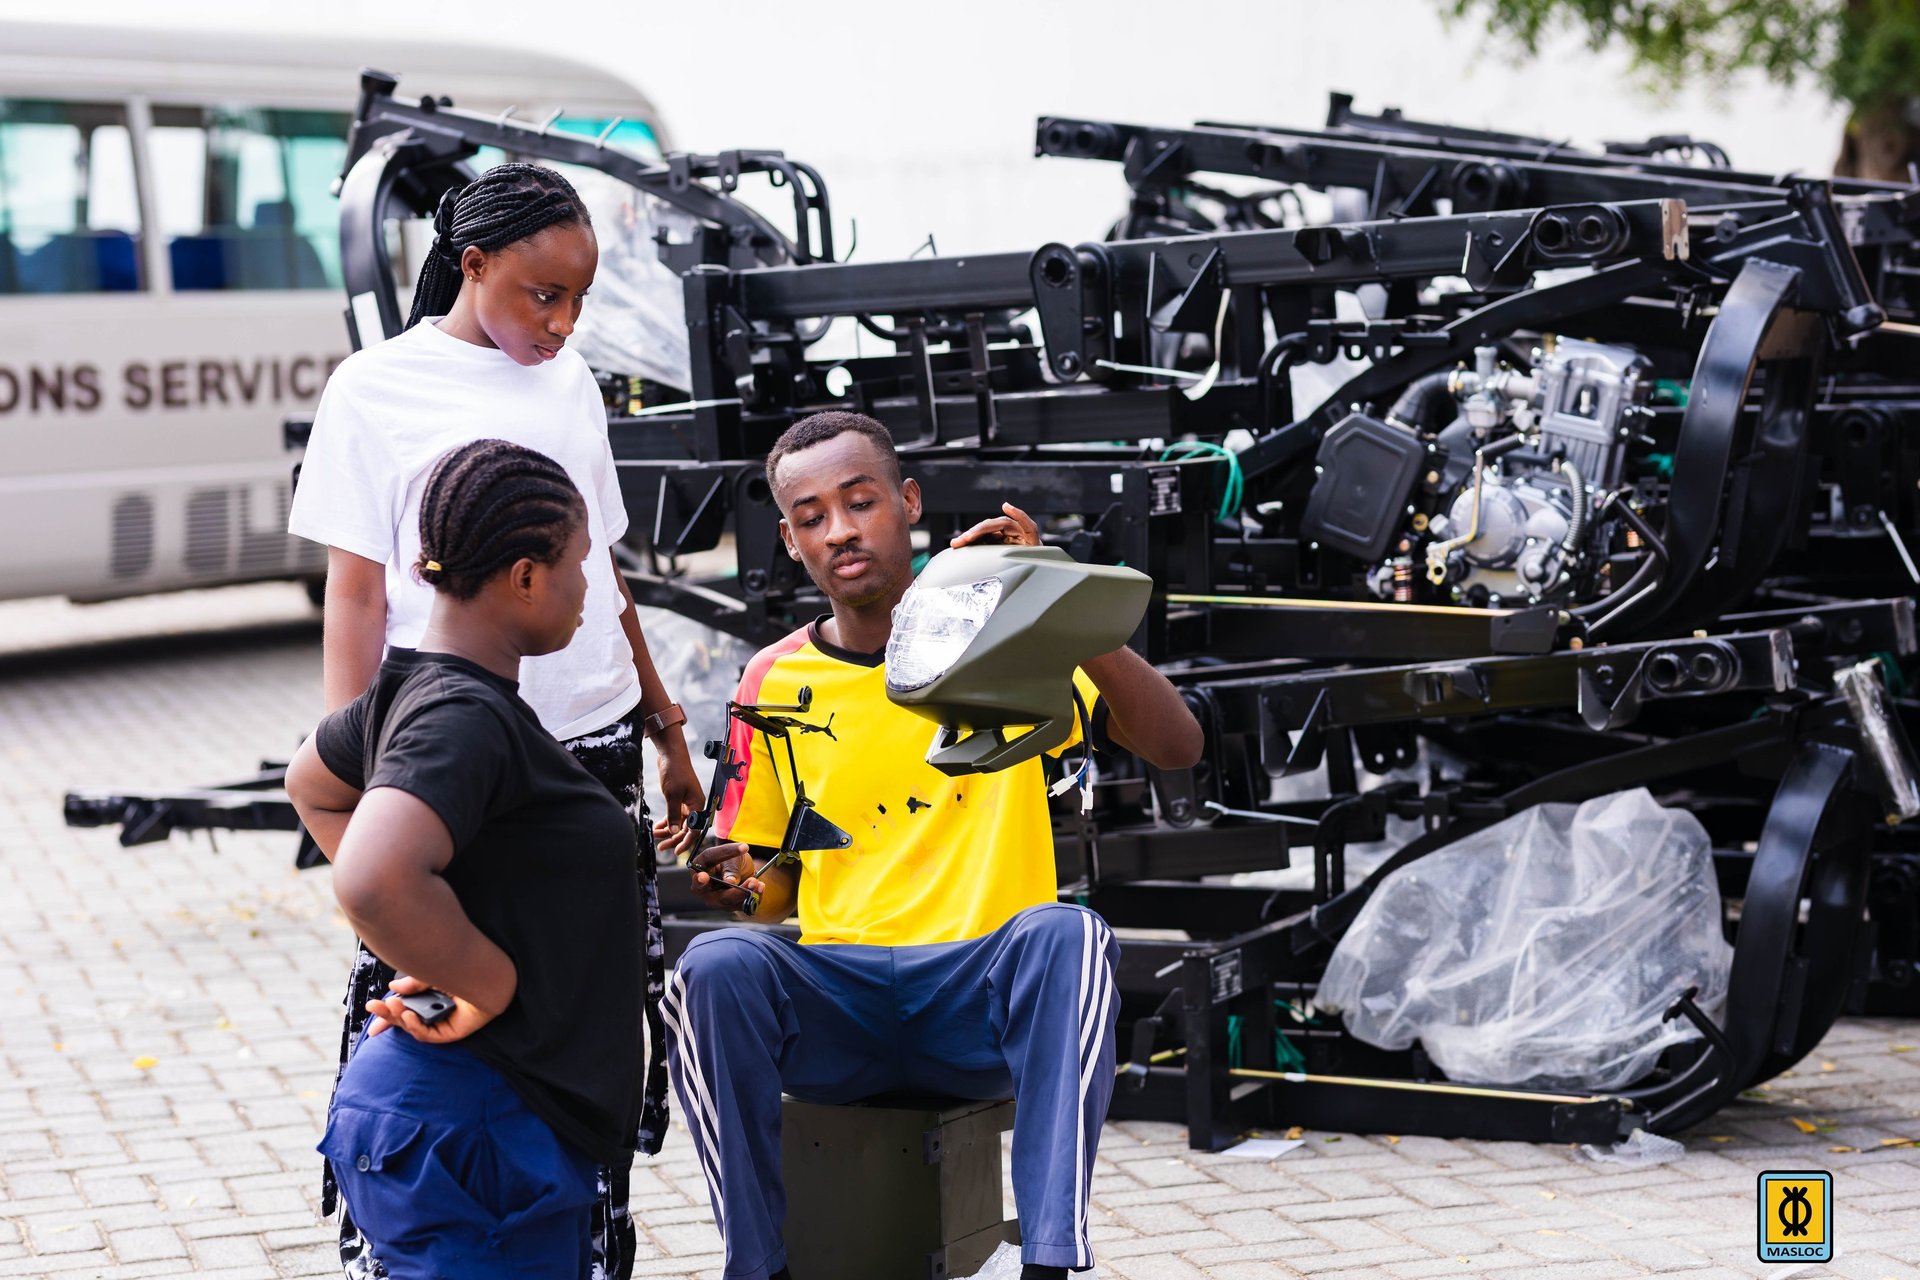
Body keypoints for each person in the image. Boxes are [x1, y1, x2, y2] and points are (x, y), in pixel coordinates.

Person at [665, 411, 1205, 1280]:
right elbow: (768, 890)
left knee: (1070, 937)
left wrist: (1064, 604)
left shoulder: (1009, 638)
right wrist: (740, 888)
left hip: (977, 1001)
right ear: (790, 541)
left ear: (908, 503)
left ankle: (1050, 1265)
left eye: (860, 502)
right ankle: (757, 1266)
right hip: (840, 1002)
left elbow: (1178, 745)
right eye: (811, 517)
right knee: (712, 965)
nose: (839, 531)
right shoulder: (772, 678)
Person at [286, 162, 701, 1280]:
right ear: (472, 266)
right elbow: (355, 596)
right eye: (542, 295)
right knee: (449, 1002)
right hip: (459, 757)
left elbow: (602, 571)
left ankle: (581, 1240)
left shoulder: (568, 386)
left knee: (586, 1020)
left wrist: (665, 724)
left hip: (592, 744)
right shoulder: (375, 388)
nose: (562, 324)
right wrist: (369, 770)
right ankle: (438, 1235)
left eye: (579, 301)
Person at [287, 439, 647, 1278]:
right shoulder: (463, 717)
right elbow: (372, 876)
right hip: (480, 1128)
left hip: (455, 1114)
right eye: (578, 565)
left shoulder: (411, 686)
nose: (587, 587)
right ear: (524, 577)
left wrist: (434, 943)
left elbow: (311, 787)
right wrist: (485, 982)